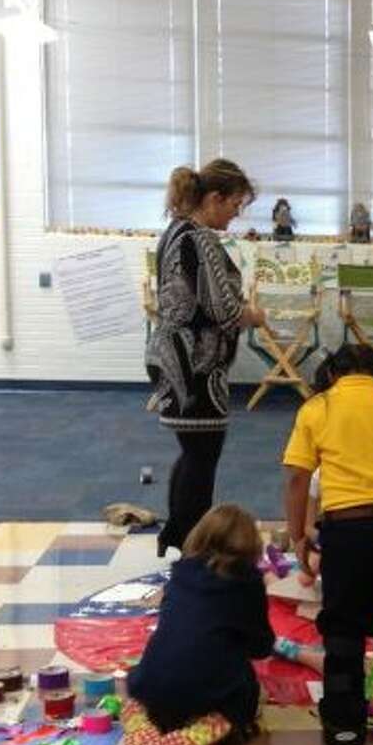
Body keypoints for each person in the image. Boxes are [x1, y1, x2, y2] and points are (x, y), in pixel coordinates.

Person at [283, 344, 373, 745]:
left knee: (343, 629)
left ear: (332, 374)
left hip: (346, 530)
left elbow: (297, 479)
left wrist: (297, 536)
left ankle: (345, 726)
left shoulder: (319, 407)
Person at [147, 160, 266, 555]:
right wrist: (253, 315)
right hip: (195, 364)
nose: (236, 213)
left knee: (193, 451)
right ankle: (193, 544)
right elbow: (224, 310)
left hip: (177, 359)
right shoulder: (198, 239)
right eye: (235, 203)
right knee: (202, 455)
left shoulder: (175, 232)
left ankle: (178, 532)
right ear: (214, 198)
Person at [124, 504, 273, 745]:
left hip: (152, 685)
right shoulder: (247, 581)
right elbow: (261, 646)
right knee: (249, 691)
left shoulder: (180, 572)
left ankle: (152, 715)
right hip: (210, 689)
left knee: (156, 679)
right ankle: (219, 721)